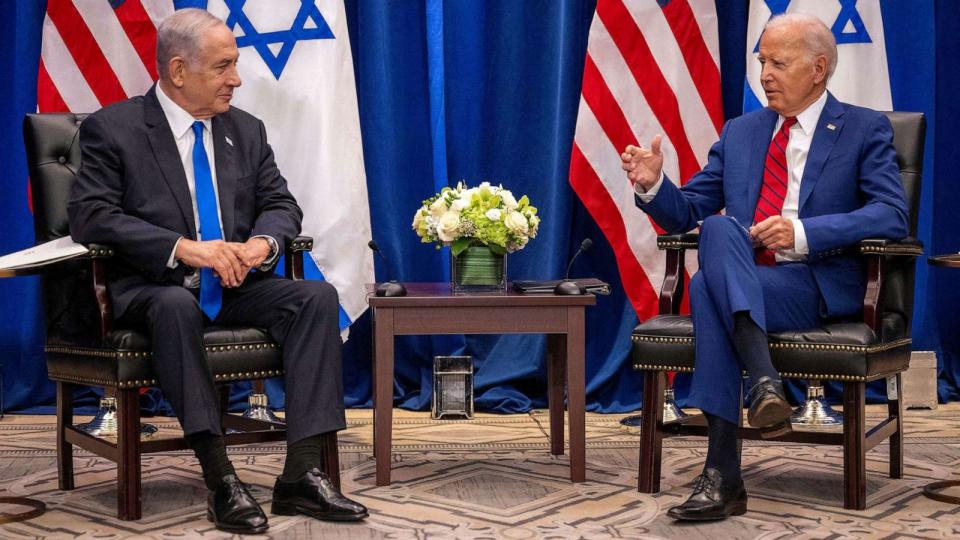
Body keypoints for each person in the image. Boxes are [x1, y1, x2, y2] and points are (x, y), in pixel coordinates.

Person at [68, 9, 367, 534]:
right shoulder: (113, 129)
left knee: (315, 297)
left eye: (235, 65)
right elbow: (92, 215)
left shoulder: (244, 130)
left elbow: (280, 203)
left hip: (234, 286)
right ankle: (220, 477)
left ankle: (300, 474)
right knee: (176, 303)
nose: (236, 79)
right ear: (179, 70)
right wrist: (183, 248)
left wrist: (261, 242)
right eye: (224, 66)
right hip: (151, 289)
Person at [621, 13, 908, 521]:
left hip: (814, 283)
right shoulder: (742, 132)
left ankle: (724, 473)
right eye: (761, 62)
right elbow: (688, 210)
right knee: (716, 232)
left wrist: (801, 233)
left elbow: (891, 213)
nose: (765, 74)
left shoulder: (864, 129)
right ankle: (763, 384)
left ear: (819, 68)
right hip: (753, 276)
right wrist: (652, 185)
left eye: (779, 62)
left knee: (711, 284)